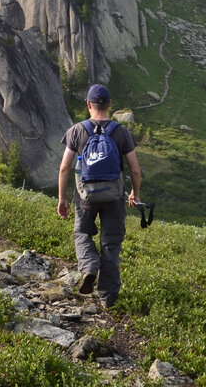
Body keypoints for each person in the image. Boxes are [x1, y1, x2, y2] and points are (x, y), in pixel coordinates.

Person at [56, 83, 142, 308]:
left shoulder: (77, 131)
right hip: (114, 197)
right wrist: (135, 193)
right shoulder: (121, 132)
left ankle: (89, 266)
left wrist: (62, 197)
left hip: (85, 197)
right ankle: (108, 297)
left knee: (82, 232)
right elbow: (134, 169)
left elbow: (64, 167)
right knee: (111, 244)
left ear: (88, 105)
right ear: (110, 105)